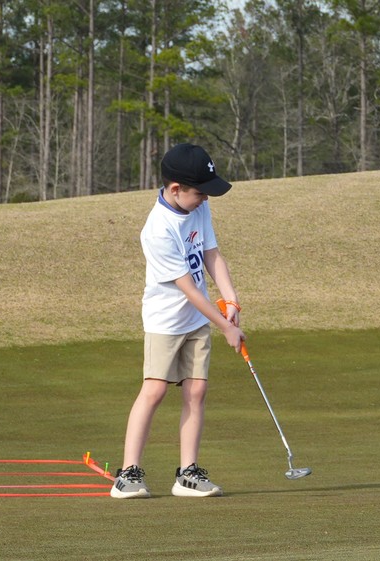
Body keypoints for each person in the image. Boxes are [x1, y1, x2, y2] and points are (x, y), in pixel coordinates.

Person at [111, 143, 244, 499]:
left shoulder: (198, 207)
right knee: (154, 390)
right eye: (200, 192)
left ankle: (187, 473)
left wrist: (230, 299)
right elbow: (189, 288)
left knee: (196, 390)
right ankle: (128, 474)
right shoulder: (157, 230)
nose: (205, 198)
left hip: (197, 319)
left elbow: (212, 254)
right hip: (165, 321)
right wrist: (226, 326)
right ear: (175, 189)